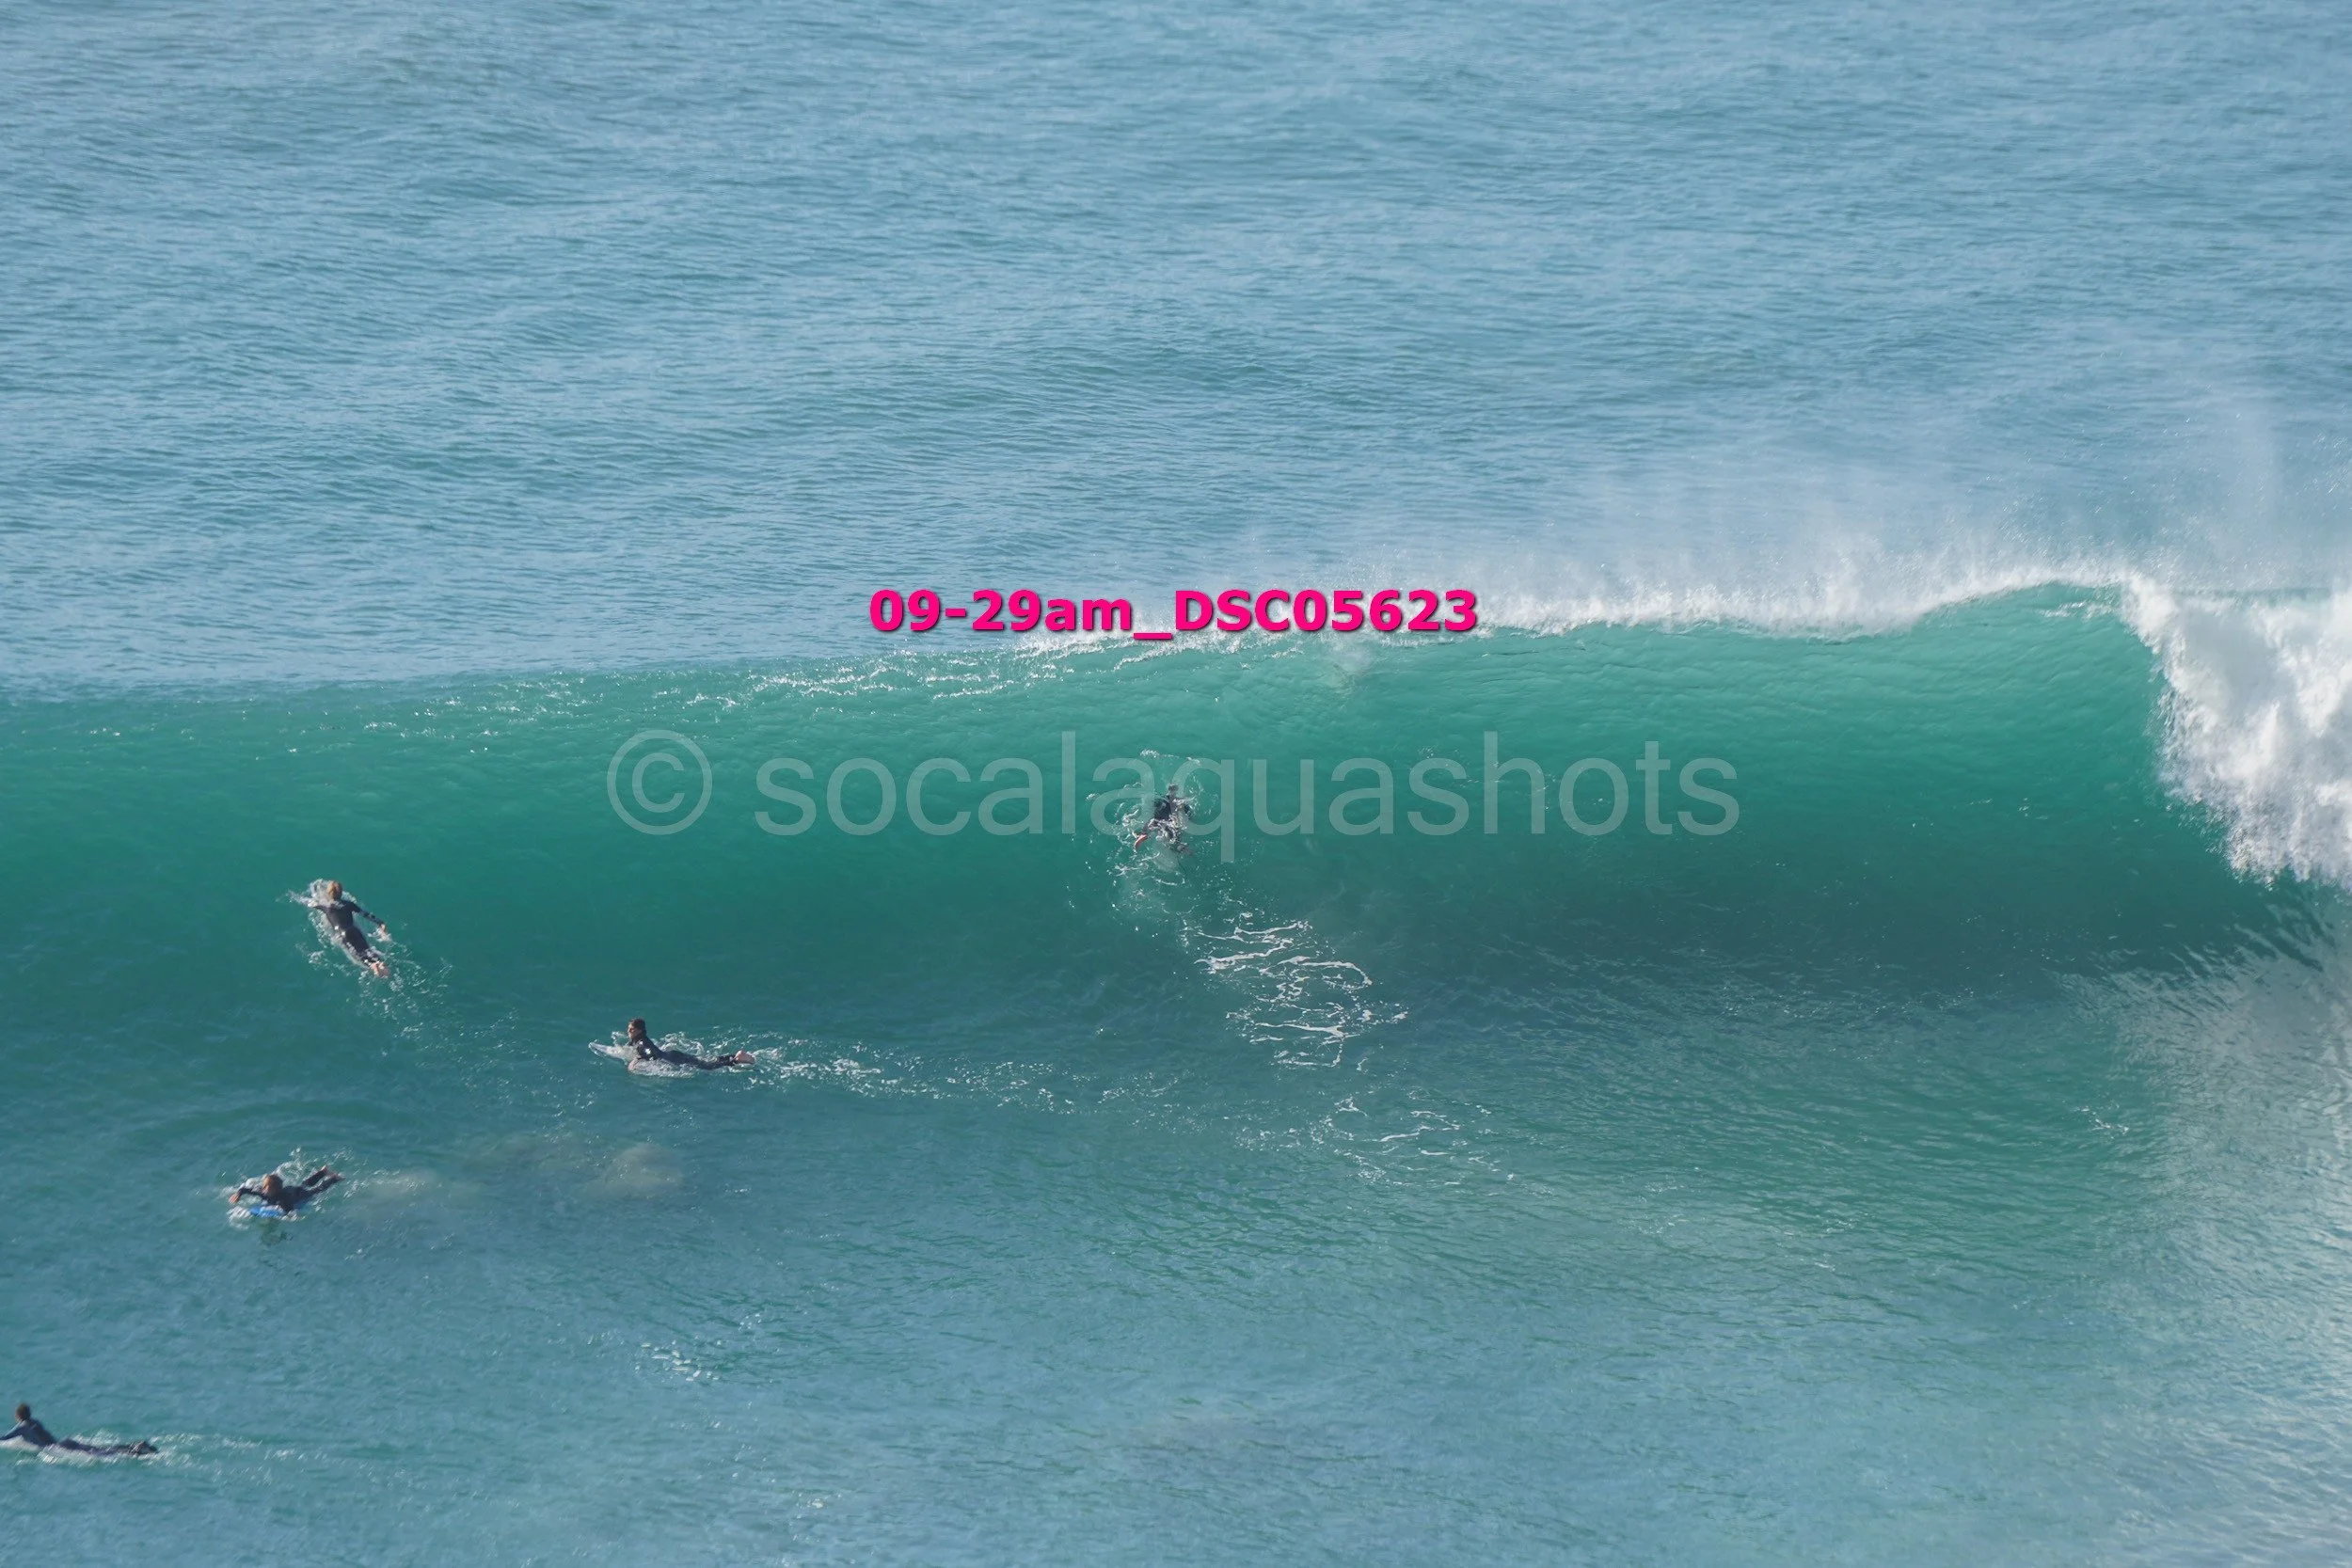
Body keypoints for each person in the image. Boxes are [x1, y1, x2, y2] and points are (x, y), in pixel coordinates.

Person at [4, 1402, 156, 1458]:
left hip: (56, 1448)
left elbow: (4, 1438)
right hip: (65, 1442)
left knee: (99, 1454)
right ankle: (133, 1446)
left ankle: (134, 1452)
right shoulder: (35, 1421)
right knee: (99, 1449)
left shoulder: (22, 1428)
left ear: (18, 1416)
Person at [305, 879, 389, 977]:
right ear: (341, 893)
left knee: (360, 956)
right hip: (354, 930)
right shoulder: (349, 904)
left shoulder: (326, 906)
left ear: (329, 893)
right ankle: (379, 963)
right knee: (368, 951)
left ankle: (374, 966)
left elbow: (310, 903)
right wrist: (380, 923)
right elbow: (365, 914)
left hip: (344, 934)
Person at [625, 1018, 753, 1071]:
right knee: (704, 1062)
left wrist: (637, 1060)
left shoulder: (641, 1042)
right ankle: (734, 1057)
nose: (629, 1031)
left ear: (640, 1031)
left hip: (671, 1058)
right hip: (672, 1055)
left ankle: (737, 1060)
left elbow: (650, 1053)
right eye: (629, 1029)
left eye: (632, 1029)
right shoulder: (641, 1040)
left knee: (707, 1066)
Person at [232, 1166, 342, 1212]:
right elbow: (245, 1189)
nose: (264, 1189)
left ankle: (334, 1179)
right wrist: (238, 1194)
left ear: (275, 1190)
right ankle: (322, 1172)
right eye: (264, 1186)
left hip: (297, 1195)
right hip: (290, 1190)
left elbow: (290, 1212)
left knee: (316, 1190)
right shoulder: (263, 1192)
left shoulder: (283, 1201)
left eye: (267, 1187)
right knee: (305, 1184)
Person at [1133, 786, 1192, 853]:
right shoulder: (1175, 801)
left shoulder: (1165, 799)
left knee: (1156, 821)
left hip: (1163, 810)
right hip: (1170, 812)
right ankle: (1180, 846)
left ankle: (1144, 834)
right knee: (1170, 827)